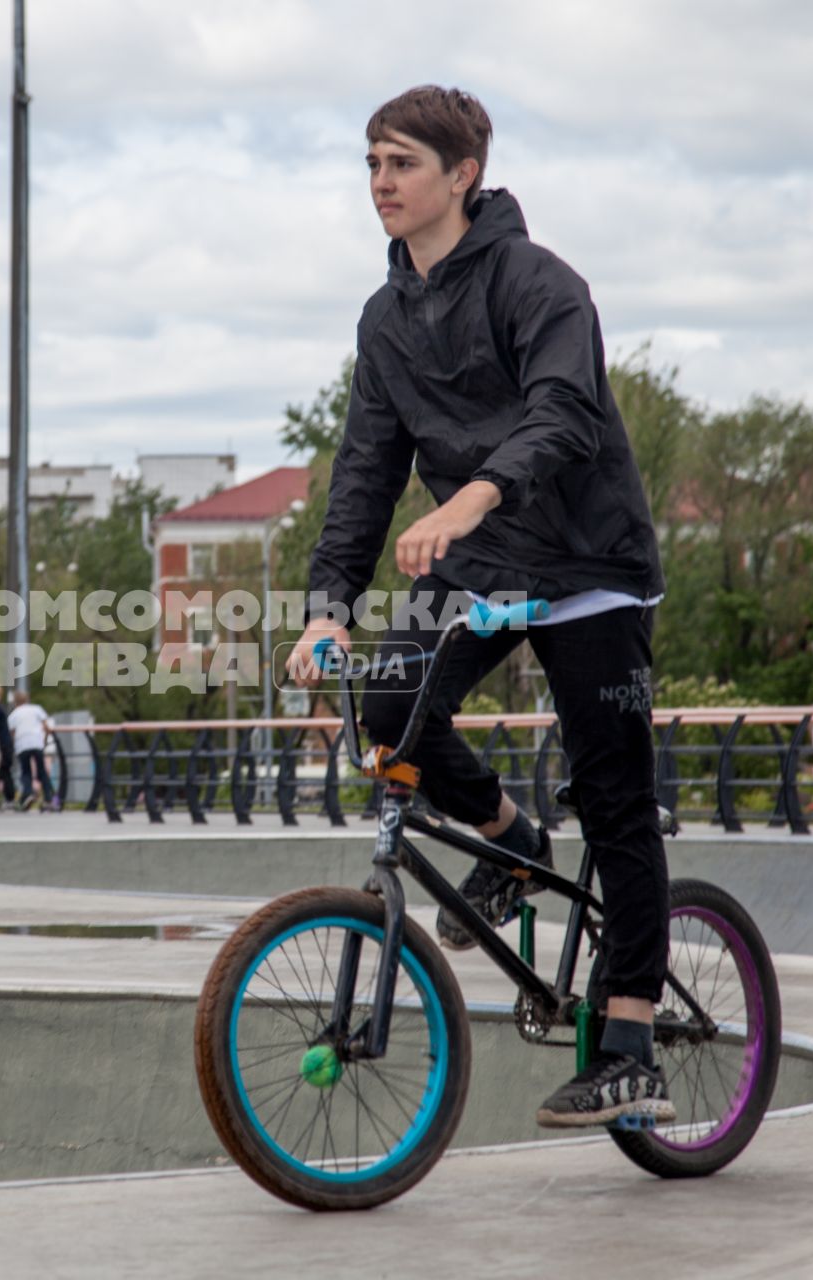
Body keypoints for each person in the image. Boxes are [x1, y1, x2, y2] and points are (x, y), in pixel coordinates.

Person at [287, 87, 672, 1130]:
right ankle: (515, 839)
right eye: (370, 162)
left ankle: (632, 1037)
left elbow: (564, 413)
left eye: (402, 163)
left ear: (461, 174)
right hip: (482, 564)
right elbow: (365, 472)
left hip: (589, 560)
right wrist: (328, 608)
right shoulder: (386, 318)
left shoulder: (539, 283)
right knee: (387, 711)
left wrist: (470, 493)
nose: (380, 183)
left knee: (616, 791)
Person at [5, 689, 56, 811]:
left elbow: (12, 733)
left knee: (26, 771)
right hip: (36, 742)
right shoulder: (36, 709)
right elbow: (46, 727)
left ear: (15, 702)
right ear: (27, 699)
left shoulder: (13, 715)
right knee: (42, 771)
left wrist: (13, 747)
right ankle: (48, 798)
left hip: (22, 745)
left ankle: (28, 793)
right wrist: (44, 739)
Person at [0, 684, 16, 803]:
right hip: (5, 744)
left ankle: (4, 796)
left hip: (2, 745)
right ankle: (6, 796)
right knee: (3, 771)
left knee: (2, 771)